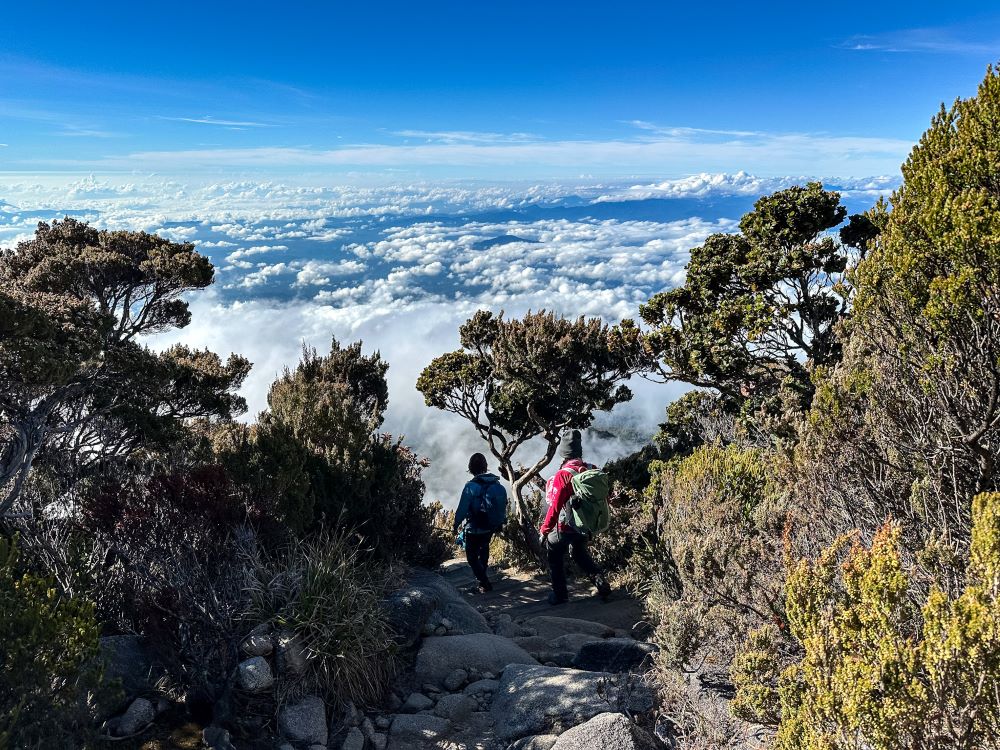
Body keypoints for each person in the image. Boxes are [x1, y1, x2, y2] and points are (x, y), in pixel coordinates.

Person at [539, 429, 612, 605]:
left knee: (554, 555)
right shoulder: (592, 470)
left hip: (565, 527)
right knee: (579, 553)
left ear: (563, 453)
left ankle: (560, 595)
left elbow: (555, 507)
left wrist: (544, 530)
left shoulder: (563, 475)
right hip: (585, 525)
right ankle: (600, 582)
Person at [454, 452, 507, 593]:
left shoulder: (471, 486)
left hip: (474, 527)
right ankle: (482, 584)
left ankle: (484, 583)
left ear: (470, 468)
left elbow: (462, 509)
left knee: (472, 557)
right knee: (484, 551)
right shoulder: (495, 483)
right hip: (490, 526)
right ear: (486, 467)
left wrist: (455, 525)